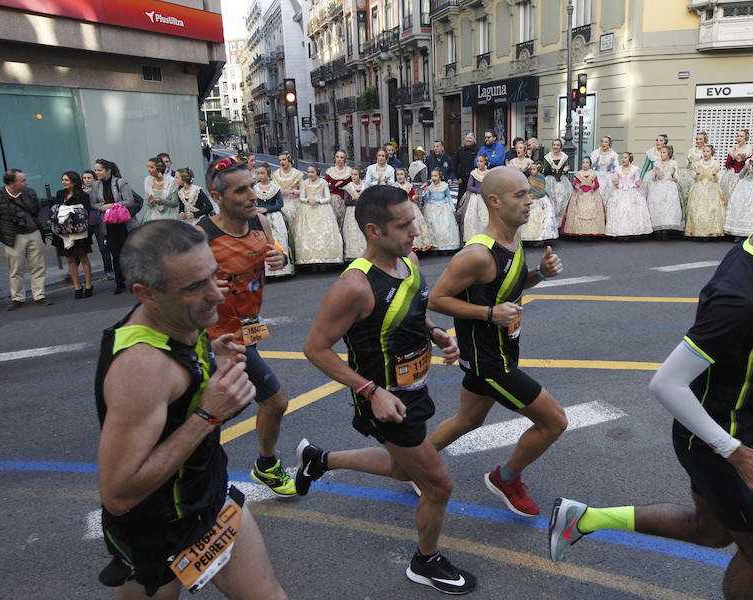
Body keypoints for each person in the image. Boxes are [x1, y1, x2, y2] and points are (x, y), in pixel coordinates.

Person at [550, 151, 753, 600]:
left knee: (711, 533)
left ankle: (584, 518)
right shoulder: (743, 296)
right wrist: (737, 452)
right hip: (722, 444)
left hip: (726, 436)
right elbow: (665, 383)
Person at [95, 219, 288, 600]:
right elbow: (118, 494)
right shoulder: (141, 367)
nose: (216, 295)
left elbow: (178, 375)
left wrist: (208, 358)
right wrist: (208, 416)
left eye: (213, 275)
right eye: (195, 287)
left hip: (210, 501)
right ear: (145, 293)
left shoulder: (181, 318)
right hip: (157, 527)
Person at [298, 185, 477, 595]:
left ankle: (319, 460)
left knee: (402, 468)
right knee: (438, 484)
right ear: (374, 230)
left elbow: (414, 313)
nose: (415, 230)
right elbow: (315, 349)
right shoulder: (355, 287)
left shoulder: (409, 260)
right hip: (385, 402)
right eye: (404, 224)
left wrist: (436, 335)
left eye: (413, 219)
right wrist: (370, 391)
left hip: (414, 388)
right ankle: (425, 561)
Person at [427, 166, 567, 517]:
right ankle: (506, 478)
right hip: (492, 362)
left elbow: (507, 289)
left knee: (467, 420)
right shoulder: (478, 254)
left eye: (528, 194)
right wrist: (489, 314)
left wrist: (539, 274)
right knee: (554, 422)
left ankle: (414, 465)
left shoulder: (511, 240)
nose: (529, 201)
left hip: (498, 352)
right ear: (494, 201)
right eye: (519, 195)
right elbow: (435, 299)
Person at [198, 156, 296, 496]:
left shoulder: (258, 222)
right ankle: (202, 479)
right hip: (216, 339)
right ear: (217, 196)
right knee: (268, 401)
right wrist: (205, 289)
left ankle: (263, 465)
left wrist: (280, 257)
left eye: (252, 186)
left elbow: (277, 253)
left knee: (265, 403)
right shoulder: (201, 235)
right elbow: (174, 291)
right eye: (241, 190)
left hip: (248, 330)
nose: (252, 195)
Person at [0, 169, 52, 309]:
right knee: (15, 269)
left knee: (38, 265)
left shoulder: (29, 192)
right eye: (22, 181)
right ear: (11, 183)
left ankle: (39, 295)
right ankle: (17, 298)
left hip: (33, 232)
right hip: (12, 237)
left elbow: (36, 209)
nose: (26, 183)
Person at [92, 159, 139, 294]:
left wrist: (112, 205)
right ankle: (119, 283)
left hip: (124, 223)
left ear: (108, 170)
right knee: (115, 253)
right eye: (96, 170)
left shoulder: (120, 182)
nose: (97, 173)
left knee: (128, 252)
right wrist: (102, 207)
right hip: (108, 224)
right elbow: (93, 203)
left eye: (99, 170)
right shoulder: (96, 186)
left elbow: (129, 201)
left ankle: (136, 280)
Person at [51, 171, 93, 298]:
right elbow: (55, 209)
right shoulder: (60, 194)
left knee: (83, 257)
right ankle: (77, 286)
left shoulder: (82, 195)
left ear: (74, 181)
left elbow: (86, 212)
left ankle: (88, 285)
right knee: (69, 259)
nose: (63, 182)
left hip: (79, 232)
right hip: (64, 232)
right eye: (63, 180)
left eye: (66, 180)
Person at [296, 165, 344, 266]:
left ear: (317, 172)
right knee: (308, 234)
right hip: (307, 210)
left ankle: (324, 259)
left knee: (323, 233)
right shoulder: (304, 183)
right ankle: (311, 260)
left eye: (312, 172)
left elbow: (328, 198)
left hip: (322, 210)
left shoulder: (323, 183)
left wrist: (318, 200)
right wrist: (308, 200)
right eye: (308, 172)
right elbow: (301, 197)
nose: (310, 174)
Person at [253, 164, 294, 277]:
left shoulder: (274, 187)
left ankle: (282, 269)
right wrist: (256, 209)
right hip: (260, 218)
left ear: (268, 174)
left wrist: (267, 209)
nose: (260, 176)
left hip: (275, 217)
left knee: (277, 240)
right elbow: (252, 203)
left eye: (262, 173)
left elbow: (280, 204)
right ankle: (265, 270)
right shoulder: (255, 188)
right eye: (258, 173)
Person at [725, 143, 753, 242]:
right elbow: (741, 176)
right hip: (745, 185)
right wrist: (746, 167)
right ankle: (739, 232)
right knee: (741, 207)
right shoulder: (749, 161)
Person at [606, 152, 653, 238]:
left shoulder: (635, 169)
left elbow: (637, 179)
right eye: (622, 158)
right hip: (620, 191)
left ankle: (633, 231)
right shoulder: (617, 169)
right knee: (620, 210)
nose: (623, 159)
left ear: (629, 159)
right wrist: (615, 182)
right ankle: (621, 231)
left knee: (632, 210)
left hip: (632, 191)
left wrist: (638, 183)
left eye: (625, 158)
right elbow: (615, 179)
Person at [685, 146, 726, 239]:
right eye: (704, 151)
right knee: (697, 209)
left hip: (711, 188)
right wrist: (697, 174)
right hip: (699, 187)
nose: (705, 153)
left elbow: (715, 179)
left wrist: (715, 174)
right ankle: (696, 231)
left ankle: (709, 232)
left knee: (711, 209)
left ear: (711, 153)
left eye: (707, 151)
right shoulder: (698, 163)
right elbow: (696, 179)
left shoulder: (715, 163)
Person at [561, 156, 604, 237]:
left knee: (592, 210)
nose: (585, 164)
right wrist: (576, 186)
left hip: (591, 195)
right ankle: (579, 231)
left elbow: (597, 184)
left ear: (590, 164)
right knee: (579, 210)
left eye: (587, 163)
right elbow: (575, 183)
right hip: (580, 194)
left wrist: (594, 186)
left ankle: (590, 231)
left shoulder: (593, 173)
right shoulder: (578, 174)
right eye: (583, 163)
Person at [83, 168, 114, 279]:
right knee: (80, 248)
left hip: (99, 222)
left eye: (89, 178)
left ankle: (109, 271)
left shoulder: (99, 190)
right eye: (84, 178)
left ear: (94, 179)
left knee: (104, 247)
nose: (87, 180)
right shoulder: (80, 192)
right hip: (86, 224)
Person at [646, 146, 683, 239]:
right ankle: (658, 230)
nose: (661, 154)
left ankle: (665, 230)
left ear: (669, 154)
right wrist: (656, 174)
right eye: (661, 152)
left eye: (664, 152)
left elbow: (677, 178)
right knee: (658, 207)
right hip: (658, 186)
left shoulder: (674, 163)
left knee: (668, 208)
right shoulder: (657, 163)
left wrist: (673, 174)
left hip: (669, 187)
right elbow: (653, 178)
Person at [393, 168, 432, 252]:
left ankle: (415, 245)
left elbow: (413, 195)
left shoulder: (409, 186)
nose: (399, 176)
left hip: (409, 206)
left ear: (405, 176)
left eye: (401, 174)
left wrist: (414, 197)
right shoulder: (394, 186)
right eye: (398, 174)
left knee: (414, 223)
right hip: (398, 206)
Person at [518, 162, 558, 244]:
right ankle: (529, 238)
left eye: (534, 169)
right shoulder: (529, 178)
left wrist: (532, 195)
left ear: (538, 169)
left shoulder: (541, 178)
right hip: (530, 199)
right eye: (530, 169)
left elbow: (541, 192)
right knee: (529, 219)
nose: (532, 171)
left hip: (540, 200)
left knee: (540, 219)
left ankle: (540, 238)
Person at [422, 169, 460, 251]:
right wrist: (425, 191)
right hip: (432, 206)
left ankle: (446, 245)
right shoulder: (430, 187)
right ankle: (434, 244)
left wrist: (453, 208)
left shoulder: (444, 185)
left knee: (445, 226)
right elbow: (426, 198)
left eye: (435, 176)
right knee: (433, 226)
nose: (433, 178)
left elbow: (449, 197)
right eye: (432, 176)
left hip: (443, 207)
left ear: (440, 177)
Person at [458, 155, 489, 243]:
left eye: (481, 161)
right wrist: (479, 190)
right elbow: (469, 186)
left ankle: (485, 237)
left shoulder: (488, 173)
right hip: (475, 197)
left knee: (485, 217)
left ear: (485, 162)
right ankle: (472, 237)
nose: (479, 163)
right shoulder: (474, 173)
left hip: (485, 197)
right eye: (478, 161)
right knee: (472, 217)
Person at [140, 157, 178, 223]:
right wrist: (150, 201)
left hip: (169, 216)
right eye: (147, 167)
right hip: (153, 216)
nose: (148, 170)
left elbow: (175, 203)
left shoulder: (171, 181)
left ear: (159, 169)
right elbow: (147, 202)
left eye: (151, 167)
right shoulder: (148, 180)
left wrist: (162, 201)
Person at [542, 139, 572, 219]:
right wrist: (551, 168)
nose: (555, 147)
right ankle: (551, 219)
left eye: (557, 145)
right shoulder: (547, 157)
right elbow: (545, 171)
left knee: (561, 200)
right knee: (551, 201)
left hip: (561, 181)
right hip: (550, 181)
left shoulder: (564, 157)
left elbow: (565, 169)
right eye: (554, 145)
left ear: (560, 147)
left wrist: (566, 170)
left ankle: (560, 222)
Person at [342, 168, 367, 260]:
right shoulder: (348, 187)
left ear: (360, 175)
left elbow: (367, 200)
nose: (353, 176)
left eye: (355, 174)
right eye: (352, 174)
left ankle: (363, 251)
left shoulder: (365, 186)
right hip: (351, 212)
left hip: (362, 211)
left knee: (361, 231)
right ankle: (352, 253)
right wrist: (356, 201)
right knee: (352, 231)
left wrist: (359, 201)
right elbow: (347, 202)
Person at [721, 129, 752, 200]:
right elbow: (727, 165)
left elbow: (751, 163)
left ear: (745, 137)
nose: (739, 138)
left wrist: (744, 158)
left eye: (741, 136)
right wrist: (734, 157)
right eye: (738, 136)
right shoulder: (733, 149)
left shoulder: (749, 150)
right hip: (733, 175)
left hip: (744, 176)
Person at [678, 132, 709, 200]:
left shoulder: (707, 151)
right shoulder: (691, 150)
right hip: (690, 175)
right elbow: (687, 166)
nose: (698, 141)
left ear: (705, 140)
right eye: (697, 139)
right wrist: (689, 161)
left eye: (700, 139)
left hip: (701, 176)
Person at [590, 136, 619, 203]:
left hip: (608, 176)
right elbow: (590, 166)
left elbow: (616, 168)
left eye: (606, 142)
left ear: (609, 144)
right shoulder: (595, 153)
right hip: (597, 175)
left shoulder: (613, 154)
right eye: (602, 141)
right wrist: (595, 163)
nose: (604, 143)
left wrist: (611, 164)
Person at [325, 150, 351, 224]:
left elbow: (354, 184)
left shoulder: (349, 171)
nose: (339, 159)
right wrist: (335, 185)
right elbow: (324, 186)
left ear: (345, 159)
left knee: (345, 221)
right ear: (335, 159)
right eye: (337, 157)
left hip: (346, 199)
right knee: (334, 220)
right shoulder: (330, 171)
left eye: (341, 157)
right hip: (333, 199)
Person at [456, 133, 480, 201]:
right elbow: (455, 164)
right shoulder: (460, 150)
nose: (468, 140)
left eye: (470, 138)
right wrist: (458, 176)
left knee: (473, 200)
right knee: (461, 200)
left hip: (475, 179)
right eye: (467, 138)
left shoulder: (478, 151)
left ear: (474, 139)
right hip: (463, 180)